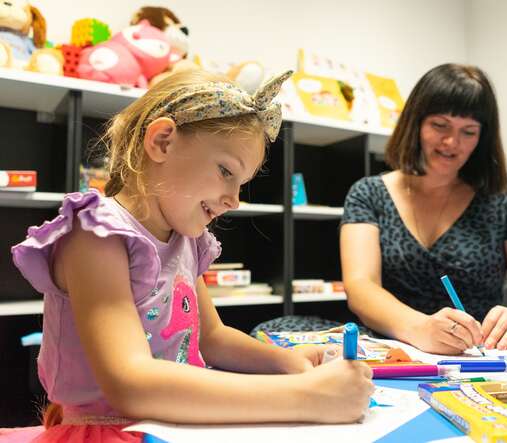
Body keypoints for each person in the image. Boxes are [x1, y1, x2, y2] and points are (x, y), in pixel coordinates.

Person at [10, 69, 373, 442]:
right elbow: (130, 383)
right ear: (163, 141)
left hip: (172, 424)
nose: (234, 200)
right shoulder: (96, 236)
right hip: (109, 431)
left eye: (241, 183)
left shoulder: (185, 239)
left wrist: (291, 363)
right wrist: (309, 398)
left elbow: (212, 337)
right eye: (225, 171)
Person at [340, 63, 507, 356]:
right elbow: (361, 286)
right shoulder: (368, 193)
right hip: (394, 351)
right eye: (440, 125)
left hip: (478, 355)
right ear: (416, 123)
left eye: (468, 132)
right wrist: (419, 329)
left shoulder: (506, 195)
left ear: (483, 138)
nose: (451, 142)